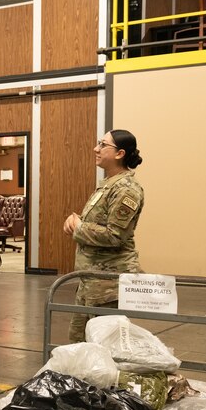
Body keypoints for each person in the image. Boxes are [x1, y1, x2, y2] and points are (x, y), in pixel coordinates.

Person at [63, 129, 145, 343]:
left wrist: (79, 227)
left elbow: (115, 235)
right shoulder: (108, 184)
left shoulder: (127, 189)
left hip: (108, 286)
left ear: (119, 154)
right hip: (91, 281)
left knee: (106, 348)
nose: (95, 149)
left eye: (102, 144)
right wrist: (74, 222)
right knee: (79, 343)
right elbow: (96, 222)